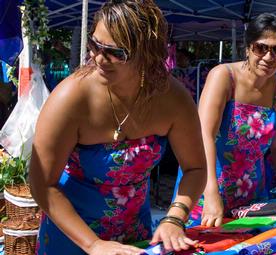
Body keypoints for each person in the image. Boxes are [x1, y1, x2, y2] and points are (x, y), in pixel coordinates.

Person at [29, 1, 207, 254]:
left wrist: (174, 218)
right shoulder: (70, 98)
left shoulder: (172, 98)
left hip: (136, 236)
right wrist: (93, 244)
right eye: (94, 45)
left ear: (147, 53)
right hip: (73, 237)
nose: (98, 58)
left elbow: (196, 168)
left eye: (115, 52)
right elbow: (41, 183)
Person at [173, 13, 276, 228]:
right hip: (207, 188)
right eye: (261, 48)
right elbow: (204, 135)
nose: (269, 57)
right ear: (248, 47)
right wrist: (212, 194)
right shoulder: (224, 77)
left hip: (252, 193)